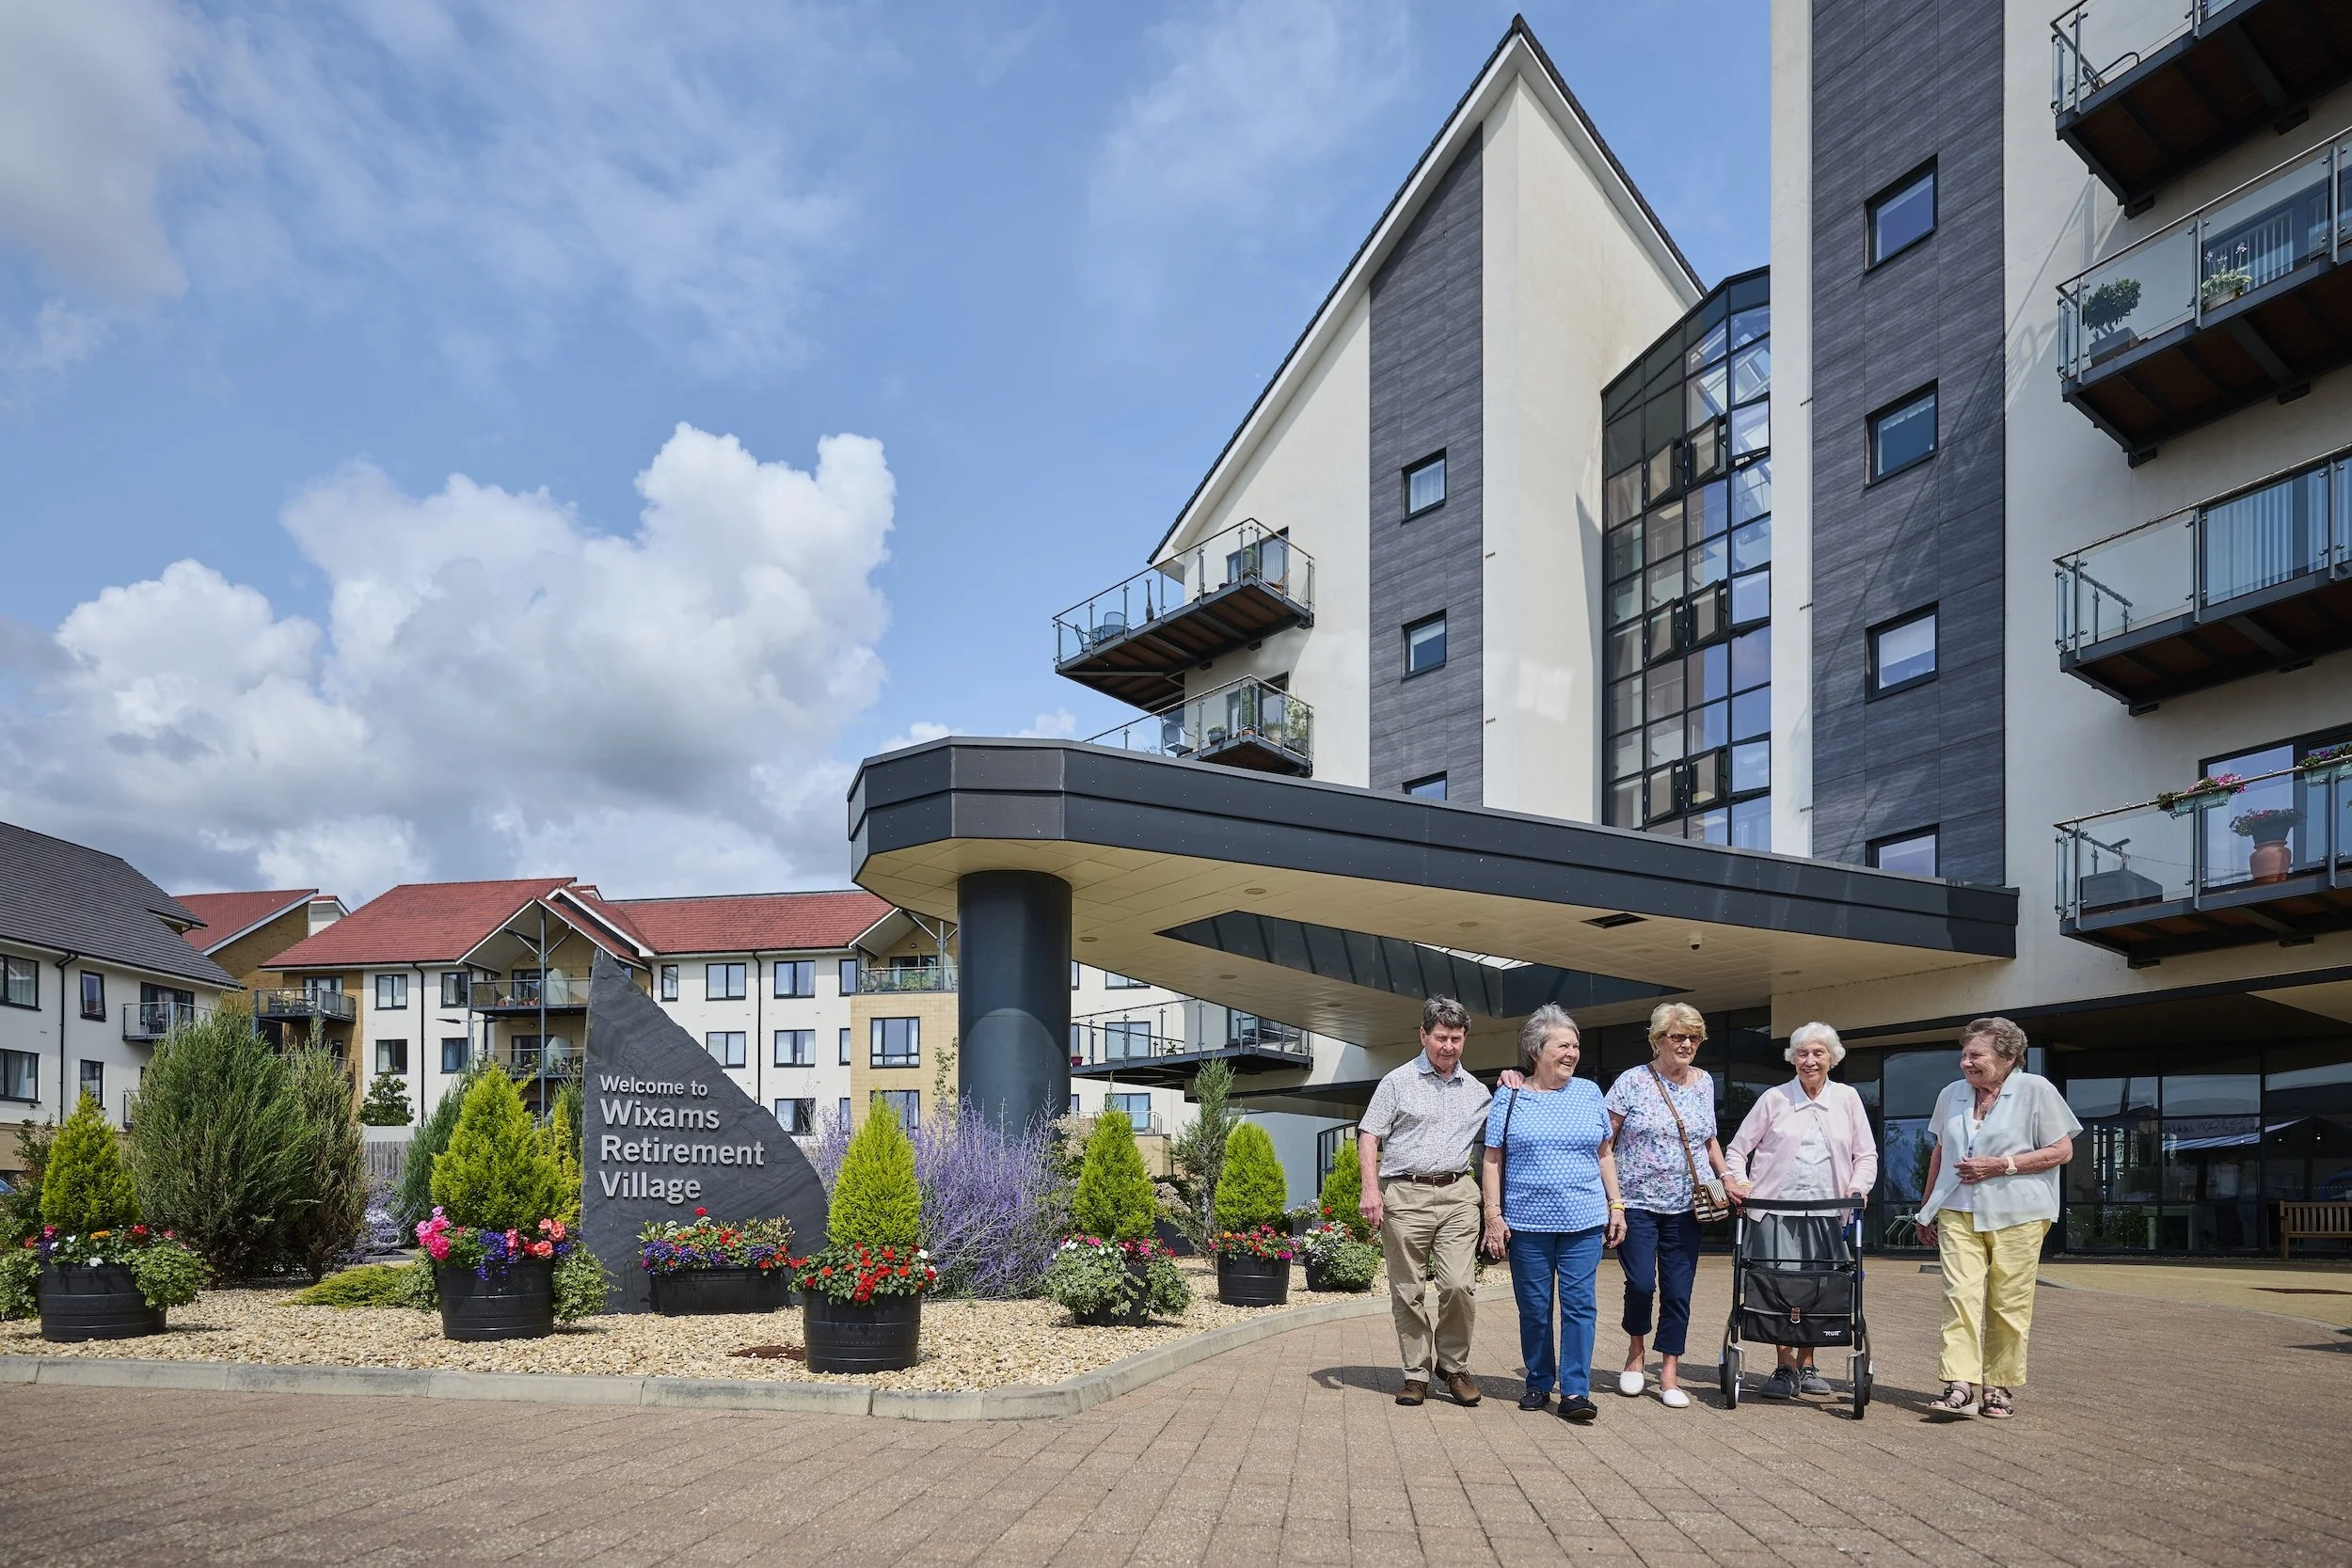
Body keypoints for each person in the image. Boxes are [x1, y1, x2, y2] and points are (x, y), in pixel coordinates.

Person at [1914, 1017, 2079, 1420]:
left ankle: (1998, 1386)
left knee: (2009, 1303)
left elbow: (2061, 1151)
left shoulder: (2036, 1090)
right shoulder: (1951, 1094)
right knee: (1959, 1296)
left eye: (1976, 1055)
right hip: (1957, 1209)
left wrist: (2003, 1164)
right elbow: (1940, 1152)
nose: (1965, 1063)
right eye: (1963, 1055)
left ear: (2008, 1057)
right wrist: (1926, 1208)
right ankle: (1959, 1384)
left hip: (2020, 1213)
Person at [1480, 1006, 1623, 1423]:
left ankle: (1575, 1391)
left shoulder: (1590, 1092)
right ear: (1536, 1051)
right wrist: (1493, 1215)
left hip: (1584, 1221)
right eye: (1562, 1045)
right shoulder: (1510, 1095)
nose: (1571, 1053)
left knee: (1580, 1307)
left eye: (1575, 1045)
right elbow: (1492, 1159)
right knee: (1534, 1308)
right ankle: (1539, 1381)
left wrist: (1616, 1205)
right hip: (1528, 1224)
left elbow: (1605, 1153)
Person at [1723, 1021, 1878, 1399]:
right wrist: (1740, 1184)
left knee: (1819, 1288)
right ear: (1792, 1058)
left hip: (1828, 1212)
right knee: (1779, 1287)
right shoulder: (1774, 1099)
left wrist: (1857, 1188)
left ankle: (1807, 1364)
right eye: (1802, 1053)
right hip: (1776, 1212)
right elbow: (1737, 1150)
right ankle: (1784, 1366)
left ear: (1832, 1058)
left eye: (1818, 1053)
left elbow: (1866, 1155)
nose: (1810, 1060)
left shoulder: (1847, 1098)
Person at [1359, 995, 1491, 1408]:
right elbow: (1369, 1135)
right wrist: (1370, 1189)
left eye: (1456, 1038)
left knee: (1458, 1285)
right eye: (1440, 1037)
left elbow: (1503, 1137)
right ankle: (1416, 1373)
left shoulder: (1478, 1091)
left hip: (1458, 1194)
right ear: (1423, 1035)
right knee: (1408, 1290)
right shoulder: (1397, 1082)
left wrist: (1513, 1080)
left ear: (1464, 1038)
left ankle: (1453, 1366)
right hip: (1405, 1193)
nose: (1448, 1046)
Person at [1603, 1001, 1732, 1408]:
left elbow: (1708, 1140)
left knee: (1678, 1290)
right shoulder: (1632, 1081)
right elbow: (1605, 1141)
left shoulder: (1704, 1082)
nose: (1687, 1044)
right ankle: (1635, 1353)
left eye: (1694, 1037)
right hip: (1636, 1202)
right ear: (1658, 1040)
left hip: (1687, 1205)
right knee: (1641, 1283)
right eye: (1678, 1036)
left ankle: (1670, 1372)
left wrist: (1727, 1176)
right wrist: (1610, 1199)